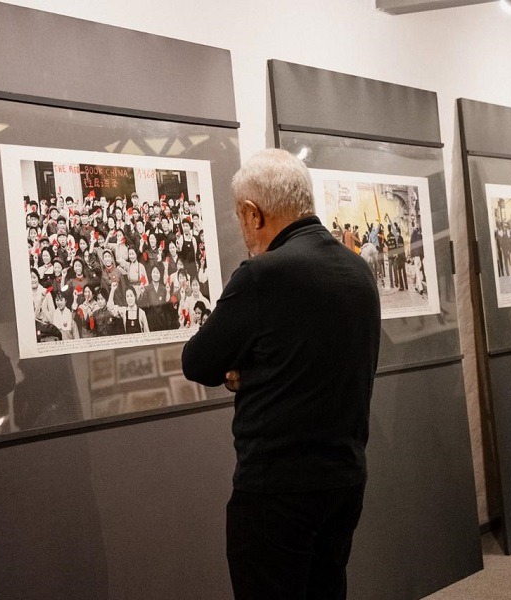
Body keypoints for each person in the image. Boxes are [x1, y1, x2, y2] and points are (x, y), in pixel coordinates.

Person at [181, 149, 381, 600]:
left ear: (254, 214)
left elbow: (198, 361)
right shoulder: (358, 270)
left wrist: (244, 368)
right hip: (344, 480)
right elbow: (318, 359)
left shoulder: (262, 275)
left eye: (239, 217)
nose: (241, 228)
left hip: (277, 490)